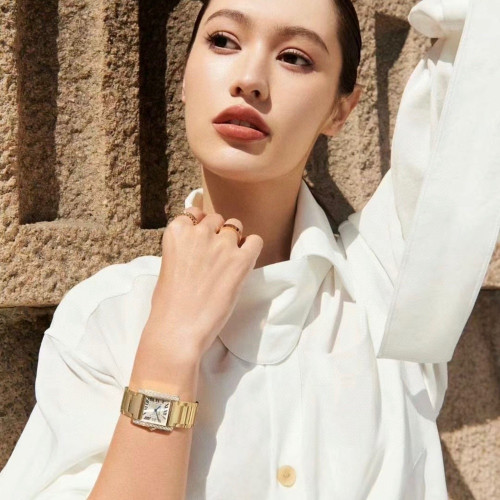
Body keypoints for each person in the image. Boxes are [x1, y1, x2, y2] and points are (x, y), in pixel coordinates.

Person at [1, 0, 499, 498]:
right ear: (185, 77)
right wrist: (170, 349)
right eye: (223, 41)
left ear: (340, 110)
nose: (250, 79)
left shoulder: (386, 288)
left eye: (295, 57)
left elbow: (482, 51)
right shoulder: (107, 318)